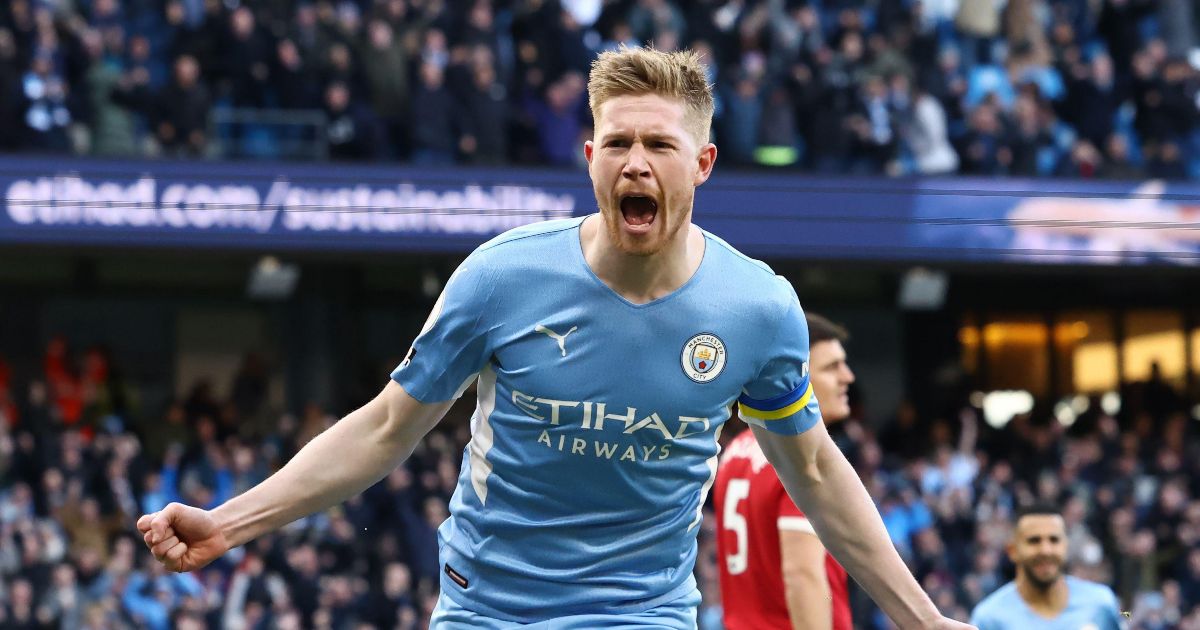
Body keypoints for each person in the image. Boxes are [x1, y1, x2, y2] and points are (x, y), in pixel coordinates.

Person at [137, 47, 971, 629]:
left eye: (659, 144)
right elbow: (388, 426)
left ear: (704, 163)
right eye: (618, 143)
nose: (636, 162)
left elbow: (818, 472)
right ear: (589, 157)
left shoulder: (759, 309)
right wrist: (232, 523)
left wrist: (922, 617)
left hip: (641, 614)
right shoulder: (504, 278)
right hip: (487, 607)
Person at [714, 313, 856, 629]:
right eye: (832, 367)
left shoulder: (737, 450)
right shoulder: (798, 455)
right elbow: (802, 574)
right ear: (797, 375)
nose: (848, 376)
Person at [970, 504, 1125, 629]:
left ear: (1066, 546)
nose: (1046, 550)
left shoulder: (1101, 603)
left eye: (1054, 540)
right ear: (1012, 551)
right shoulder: (988, 618)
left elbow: (1125, 616)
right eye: (1034, 540)